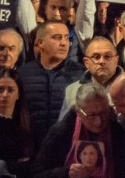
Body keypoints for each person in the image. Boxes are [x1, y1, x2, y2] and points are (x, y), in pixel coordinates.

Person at [18, 20, 85, 148]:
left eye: (66, 38)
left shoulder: (80, 74)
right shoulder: (22, 74)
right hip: (30, 149)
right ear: (40, 43)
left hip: (66, 148)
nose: (64, 43)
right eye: (57, 38)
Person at [60, 36, 123, 116]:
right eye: (96, 57)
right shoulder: (72, 91)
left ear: (116, 60)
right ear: (86, 62)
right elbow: (64, 126)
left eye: (107, 56)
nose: (102, 61)